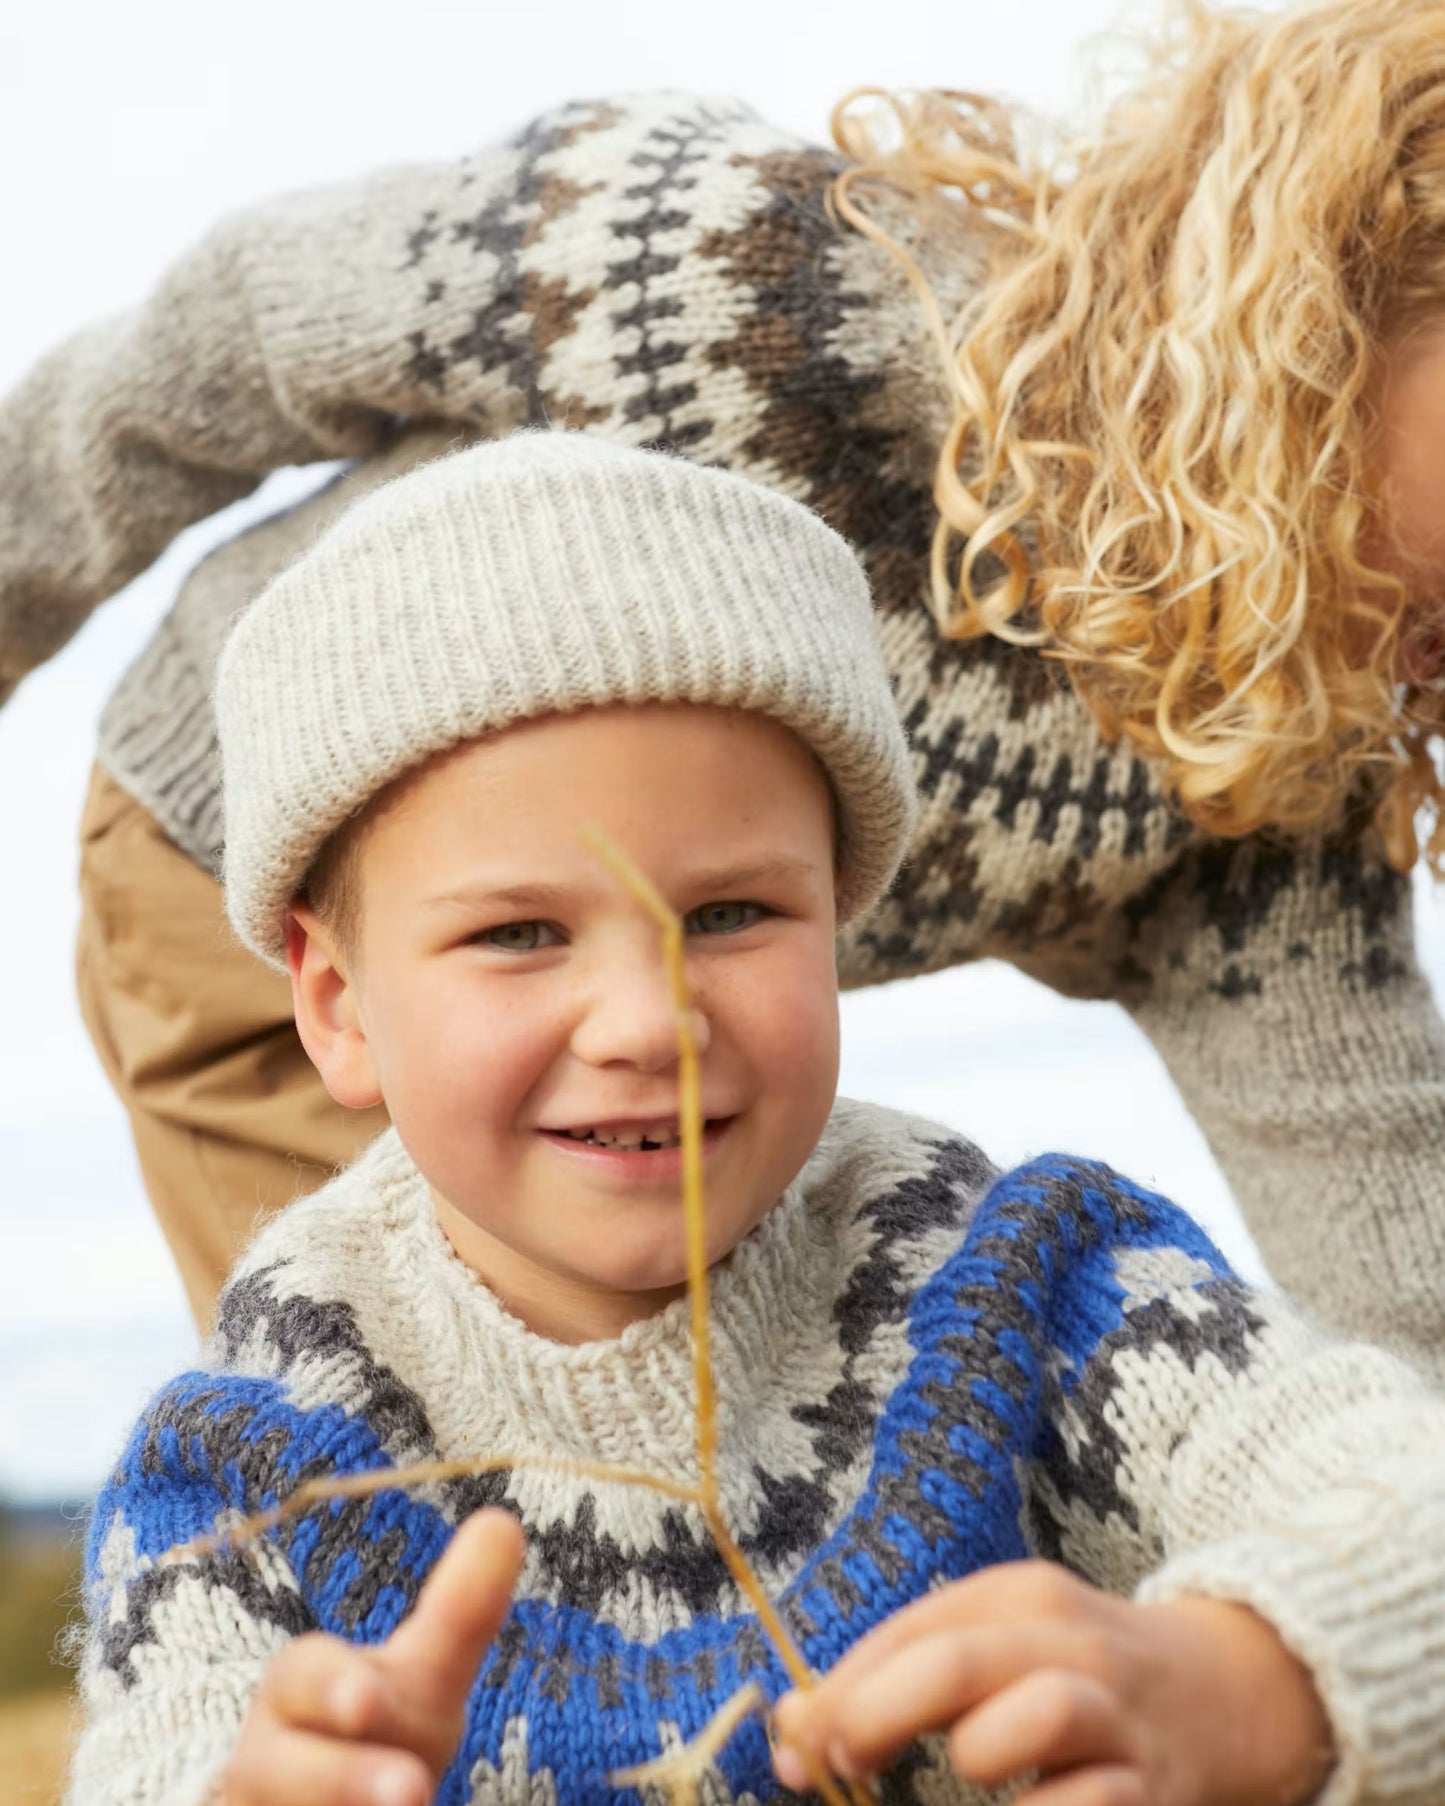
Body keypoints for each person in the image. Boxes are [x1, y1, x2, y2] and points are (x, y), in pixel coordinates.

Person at [5, 0, 1445, 1369]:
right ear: (1299, 348)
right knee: (431, 1435)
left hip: (649, 1033)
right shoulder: (727, 270)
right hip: (246, 885)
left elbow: (1380, 1224)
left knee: (739, 1440)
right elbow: (222, 339)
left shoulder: (1254, 774)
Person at [66, 435, 1445, 1806]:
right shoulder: (254, 1460)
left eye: (729, 914)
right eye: (518, 932)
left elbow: (1394, 1489)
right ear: (337, 1005)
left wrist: (1259, 1680)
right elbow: (157, 1758)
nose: (646, 1018)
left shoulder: (1023, 1286)